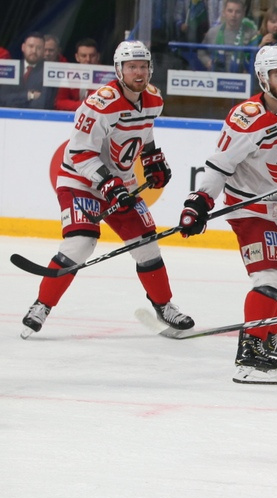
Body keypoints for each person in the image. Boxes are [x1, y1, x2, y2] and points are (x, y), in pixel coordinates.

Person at [177, 45, 277, 385]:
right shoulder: (245, 118)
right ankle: (249, 355)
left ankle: (268, 338)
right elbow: (220, 164)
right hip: (249, 207)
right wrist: (200, 200)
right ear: (263, 77)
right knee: (269, 276)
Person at [20, 41, 194, 338]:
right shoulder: (100, 103)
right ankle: (42, 305)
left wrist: (152, 158)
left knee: (147, 244)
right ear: (119, 70)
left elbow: (144, 130)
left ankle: (163, 306)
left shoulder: (152, 99)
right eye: (131, 67)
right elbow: (79, 153)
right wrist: (108, 183)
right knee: (80, 243)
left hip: (120, 181)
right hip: (80, 180)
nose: (138, 72)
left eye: (143, 66)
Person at [53, 38, 102, 112]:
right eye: (83, 56)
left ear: (98, 56)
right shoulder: (70, 74)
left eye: (92, 56)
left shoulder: (106, 75)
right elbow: (59, 102)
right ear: (77, 57)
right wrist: (84, 105)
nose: (88, 59)